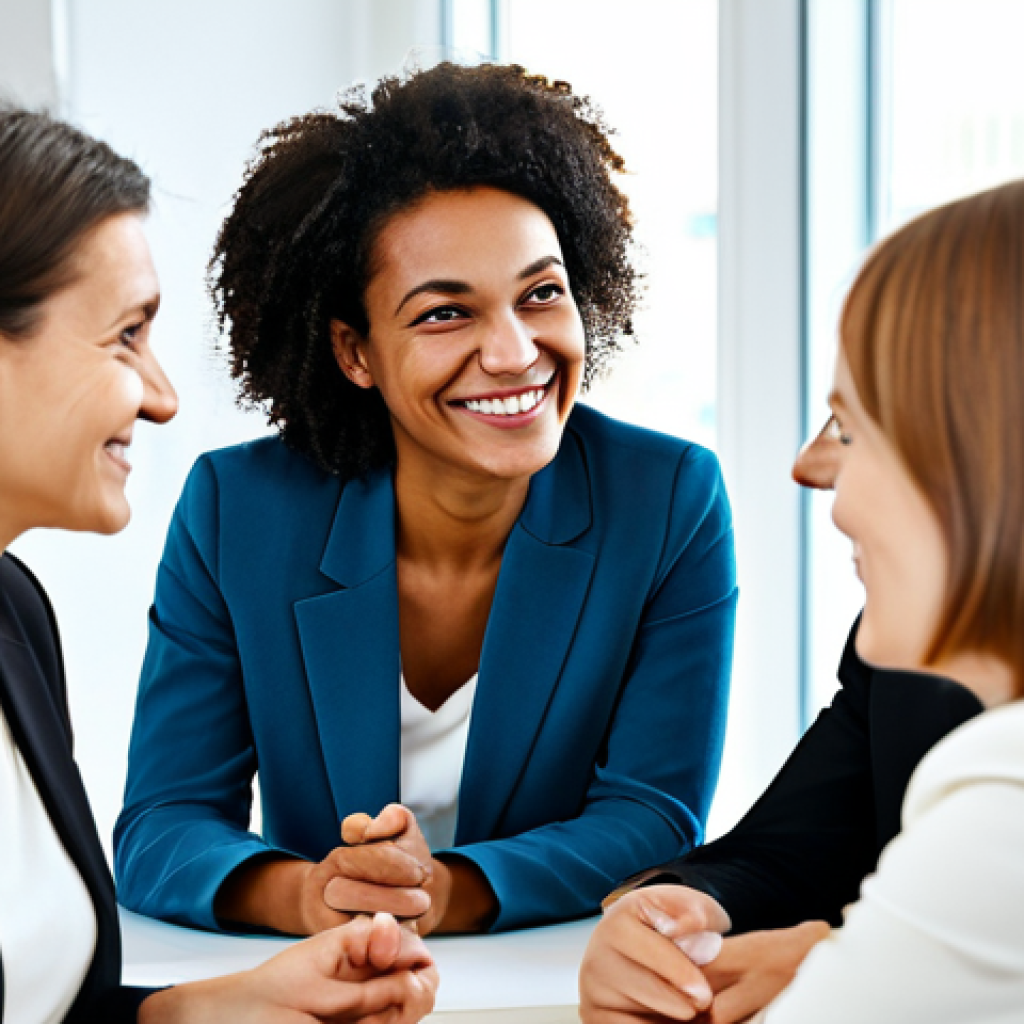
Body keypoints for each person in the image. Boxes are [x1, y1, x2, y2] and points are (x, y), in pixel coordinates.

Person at [113, 62, 738, 938]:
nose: (514, 353)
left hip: (554, 983)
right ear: (355, 352)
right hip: (327, 983)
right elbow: (162, 824)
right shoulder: (238, 510)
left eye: (541, 294)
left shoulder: (668, 500)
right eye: (447, 313)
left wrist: (447, 890)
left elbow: (653, 813)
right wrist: (312, 894)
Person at [0, 105, 437, 1024]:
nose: (163, 398)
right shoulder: (238, 512)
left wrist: (203, 1009)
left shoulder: (13, 615)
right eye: (126, 335)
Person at [580, 180, 1024, 1023]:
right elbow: (795, 846)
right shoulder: (907, 666)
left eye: (850, 428)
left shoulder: (1007, 788)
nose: (809, 467)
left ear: (980, 462)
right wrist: (676, 912)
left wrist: (855, 965)